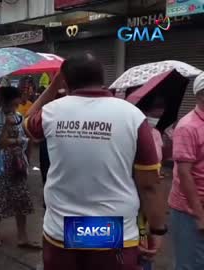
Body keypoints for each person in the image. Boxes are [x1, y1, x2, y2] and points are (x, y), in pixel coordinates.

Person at [24, 53, 167, 270]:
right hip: (112, 230)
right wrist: (156, 229)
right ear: (102, 78)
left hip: (62, 229)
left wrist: (54, 87)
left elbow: (28, 121)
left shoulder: (51, 113)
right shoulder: (132, 116)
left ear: (65, 81)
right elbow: (149, 184)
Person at [0, 86, 38, 249]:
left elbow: (24, 139)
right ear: (9, 99)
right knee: (0, 197)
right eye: (17, 98)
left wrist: (25, 156)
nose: (20, 100)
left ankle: (22, 236)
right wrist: (7, 128)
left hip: (18, 162)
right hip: (1, 163)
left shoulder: (19, 116)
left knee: (21, 197)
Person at [168, 72, 204, 270]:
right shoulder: (187, 127)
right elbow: (184, 174)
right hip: (189, 210)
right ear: (201, 96)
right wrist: (199, 215)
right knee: (190, 264)